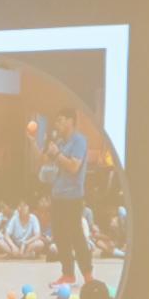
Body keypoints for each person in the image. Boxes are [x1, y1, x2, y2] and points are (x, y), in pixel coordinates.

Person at [40, 108, 93, 288]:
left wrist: (56, 154)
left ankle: (88, 276)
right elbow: (46, 164)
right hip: (57, 196)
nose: (58, 124)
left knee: (76, 236)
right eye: (57, 121)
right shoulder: (61, 142)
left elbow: (74, 167)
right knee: (60, 236)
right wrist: (37, 145)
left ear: (71, 121)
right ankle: (68, 274)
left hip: (72, 197)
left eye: (61, 120)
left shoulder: (79, 141)